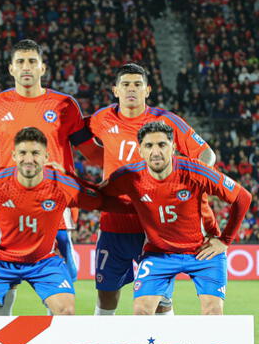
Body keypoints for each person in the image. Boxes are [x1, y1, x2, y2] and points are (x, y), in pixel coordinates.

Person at [0, 39, 99, 315]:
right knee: (2, 279)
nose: (26, 67)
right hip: (9, 202)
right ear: (11, 69)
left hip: (54, 202)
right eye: (20, 62)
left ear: (43, 67)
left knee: (60, 281)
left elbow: (90, 151)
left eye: (32, 61)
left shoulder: (65, 104)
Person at [87, 63, 218, 316]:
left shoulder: (164, 120)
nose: (131, 89)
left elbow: (206, 154)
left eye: (137, 84)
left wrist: (188, 183)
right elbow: (78, 138)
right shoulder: (101, 118)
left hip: (155, 228)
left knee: (160, 301)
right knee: (106, 294)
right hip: (114, 223)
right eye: (125, 84)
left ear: (147, 89)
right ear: (115, 90)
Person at [0, 127, 126, 316]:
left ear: (46, 156)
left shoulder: (61, 184)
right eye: (23, 153)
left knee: (66, 310)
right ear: (14, 156)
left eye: (35, 153)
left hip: (43, 262)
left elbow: (101, 201)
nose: (29, 159)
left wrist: (143, 206)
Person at [101, 121, 251, 315]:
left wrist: (225, 240)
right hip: (159, 253)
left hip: (203, 252)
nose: (156, 151)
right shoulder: (129, 176)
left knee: (213, 312)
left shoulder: (196, 171)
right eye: (149, 146)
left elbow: (242, 197)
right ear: (140, 151)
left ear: (173, 147)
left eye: (162, 145)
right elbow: (98, 196)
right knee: (141, 312)